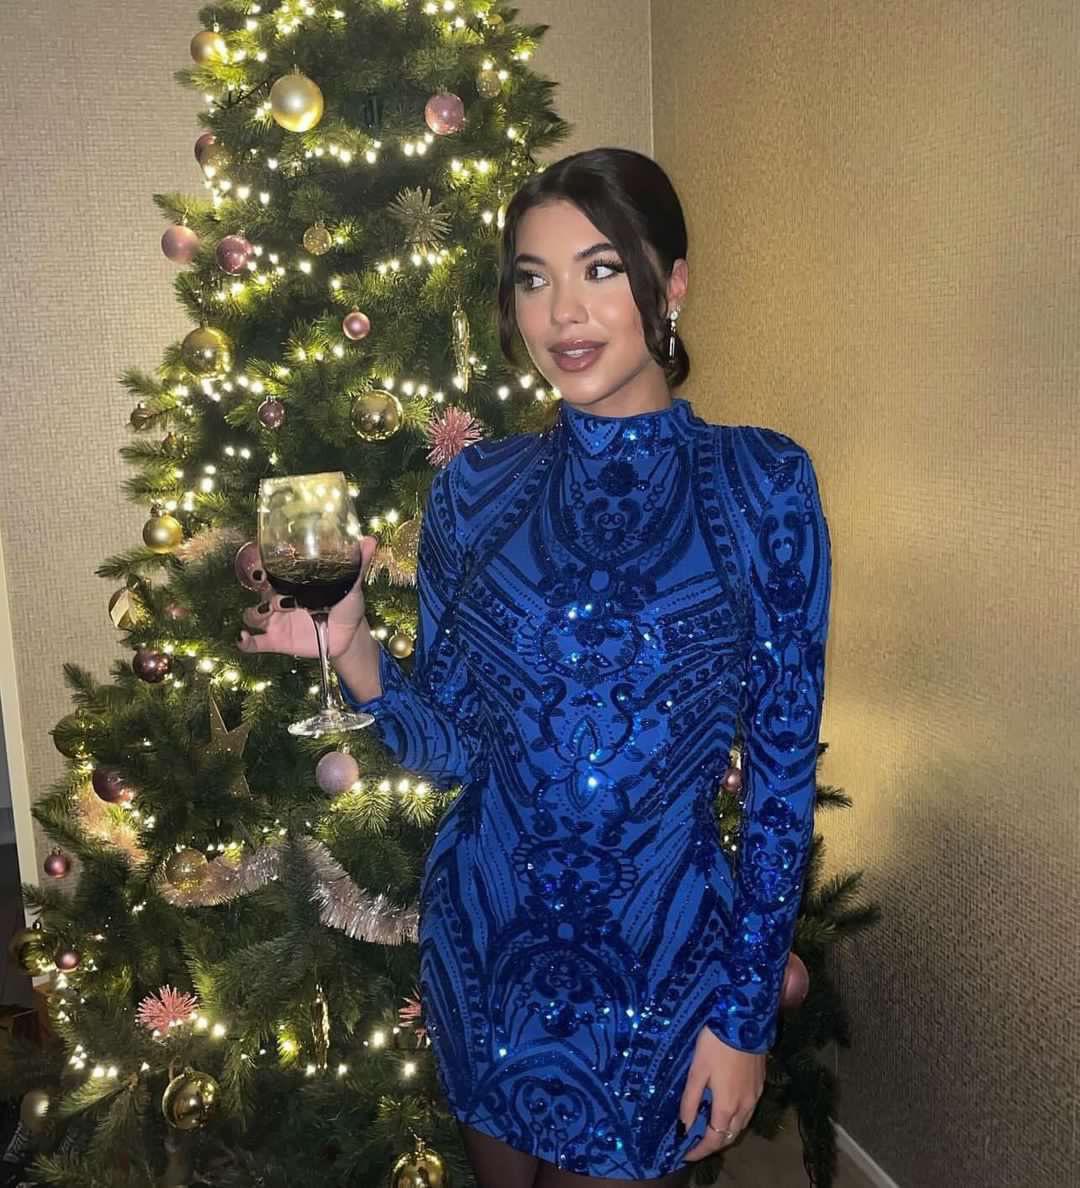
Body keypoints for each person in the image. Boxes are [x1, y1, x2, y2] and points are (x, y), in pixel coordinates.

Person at [237, 147, 832, 1187]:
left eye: (600, 269)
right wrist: (356, 649)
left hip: (661, 967)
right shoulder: (476, 489)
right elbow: (453, 744)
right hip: (486, 952)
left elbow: (781, 781)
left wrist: (744, 1020)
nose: (563, 312)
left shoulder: (761, 482)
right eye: (532, 278)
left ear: (672, 284)